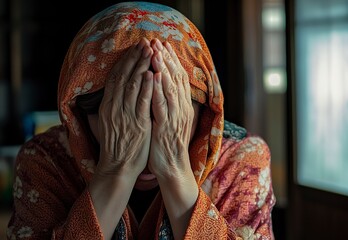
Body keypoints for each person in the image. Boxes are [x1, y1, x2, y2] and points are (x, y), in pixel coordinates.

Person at [7, 2, 275, 240]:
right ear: (79, 115)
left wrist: (174, 169)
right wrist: (116, 170)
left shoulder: (241, 159)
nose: (144, 139)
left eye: (167, 113)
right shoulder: (46, 160)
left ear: (205, 115)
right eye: (123, 117)